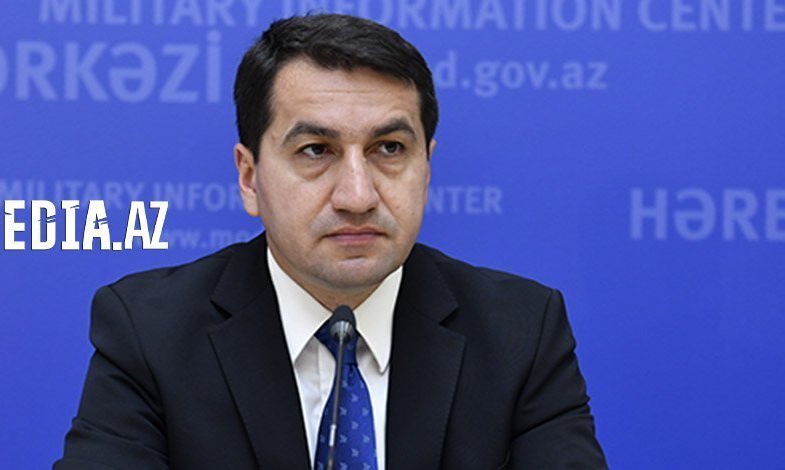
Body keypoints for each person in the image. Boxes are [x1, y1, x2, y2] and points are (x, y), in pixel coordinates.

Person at [55, 13, 606, 469]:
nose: (357, 195)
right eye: (316, 150)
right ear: (249, 177)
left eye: (389, 149)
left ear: (427, 167)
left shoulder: (520, 332)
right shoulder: (150, 334)